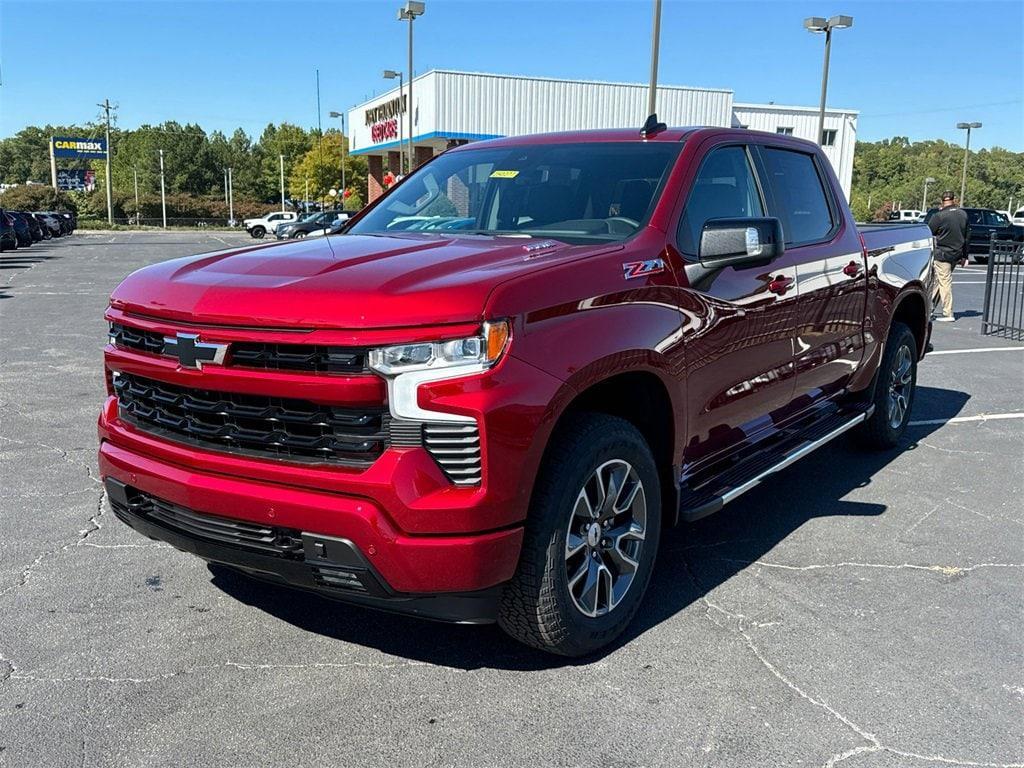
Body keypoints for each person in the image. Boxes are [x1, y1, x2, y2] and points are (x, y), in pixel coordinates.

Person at [927, 191, 969, 322]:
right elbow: (967, 236)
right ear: (954, 199)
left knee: (944, 282)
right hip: (956, 254)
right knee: (939, 281)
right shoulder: (963, 214)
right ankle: (929, 309)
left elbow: (929, 232)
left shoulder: (939, 216)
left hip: (942, 254)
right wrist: (965, 256)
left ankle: (948, 313)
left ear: (942, 201)